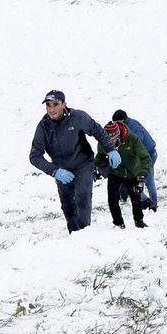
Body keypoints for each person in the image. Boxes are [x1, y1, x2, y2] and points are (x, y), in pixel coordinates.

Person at [29, 90, 112, 233]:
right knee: (67, 205)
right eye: (48, 105)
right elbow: (35, 156)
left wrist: (111, 149)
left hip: (83, 164)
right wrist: (54, 171)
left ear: (64, 104)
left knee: (82, 198)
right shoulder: (43, 127)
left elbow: (97, 130)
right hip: (61, 170)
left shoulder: (78, 117)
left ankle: (85, 233)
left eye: (55, 104)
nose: (51, 109)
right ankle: (74, 235)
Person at [99, 119, 151, 228]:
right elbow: (100, 155)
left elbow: (146, 158)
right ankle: (118, 223)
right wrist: (95, 167)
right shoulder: (102, 142)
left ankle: (139, 221)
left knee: (135, 198)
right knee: (112, 199)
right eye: (108, 140)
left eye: (113, 139)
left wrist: (142, 176)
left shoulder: (132, 138)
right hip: (115, 172)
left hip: (133, 172)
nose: (111, 143)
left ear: (118, 135)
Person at [111, 110, 159, 210]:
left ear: (122, 120)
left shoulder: (132, 126)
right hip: (150, 153)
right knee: (146, 180)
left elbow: (138, 139)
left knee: (140, 180)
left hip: (147, 156)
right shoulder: (130, 123)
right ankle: (151, 204)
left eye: (117, 122)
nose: (116, 125)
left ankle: (150, 203)